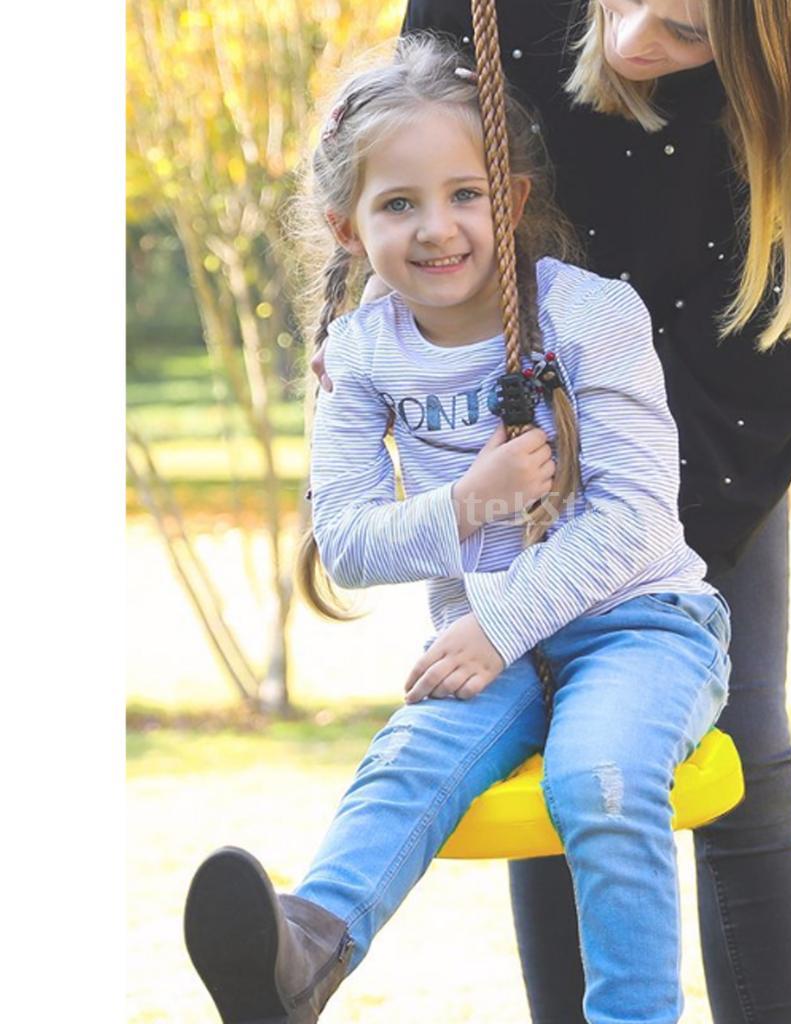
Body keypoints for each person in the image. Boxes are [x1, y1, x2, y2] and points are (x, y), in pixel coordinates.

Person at [311, 3, 791, 1022]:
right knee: (547, 757)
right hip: (511, 405)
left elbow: (736, 402)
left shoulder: (782, 89)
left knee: (727, 751)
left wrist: (588, 574)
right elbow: (406, 135)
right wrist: (397, 335)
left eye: (689, 35)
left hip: (702, 431)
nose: (632, 43)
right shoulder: (489, 31)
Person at [184, 32, 731, 1024]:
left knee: (599, 779)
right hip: (492, 643)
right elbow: (347, 541)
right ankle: (302, 954)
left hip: (641, 625)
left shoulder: (590, 317)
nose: (437, 228)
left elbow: (637, 516)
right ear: (348, 228)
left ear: (508, 200)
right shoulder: (361, 356)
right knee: (408, 762)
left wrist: (500, 621)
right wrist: (472, 501)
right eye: (398, 204)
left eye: (464, 194)